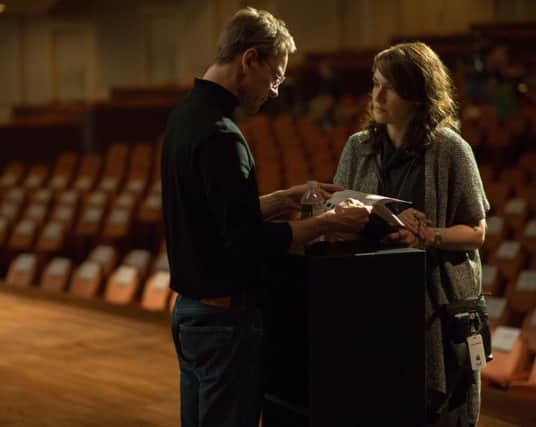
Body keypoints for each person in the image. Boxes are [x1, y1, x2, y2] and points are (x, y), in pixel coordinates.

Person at [161, 7, 370, 427]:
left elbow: (214, 217)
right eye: (275, 77)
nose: (275, 91)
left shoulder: (185, 117)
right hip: (223, 321)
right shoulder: (222, 136)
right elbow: (247, 244)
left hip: (190, 314)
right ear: (249, 60)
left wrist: (283, 198)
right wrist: (328, 224)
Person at [333, 42, 489, 427]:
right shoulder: (359, 147)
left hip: (436, 305)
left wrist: (427, 236)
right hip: (374, 299)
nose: (377, 96)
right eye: (374, 84)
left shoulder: (451, 149)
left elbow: (477, 232)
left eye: (390, 87)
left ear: (418, 96)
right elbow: (339, 212)